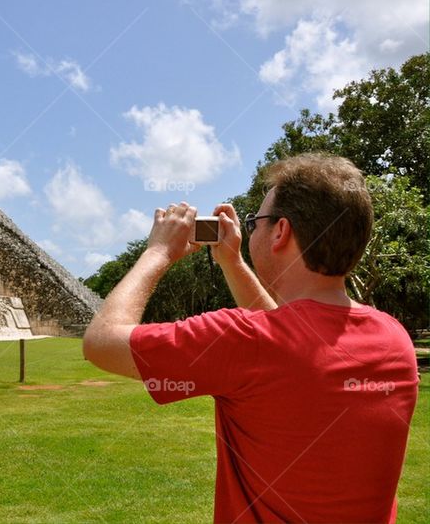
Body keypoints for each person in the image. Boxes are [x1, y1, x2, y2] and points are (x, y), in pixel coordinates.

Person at [82, 153, 418, 523]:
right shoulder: (394, 340)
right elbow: (289, 334)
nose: (252, 230)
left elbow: (101, 341)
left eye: (257, 221)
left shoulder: (244, 339)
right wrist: (232, 261)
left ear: (280, 232)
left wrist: (158, 252)